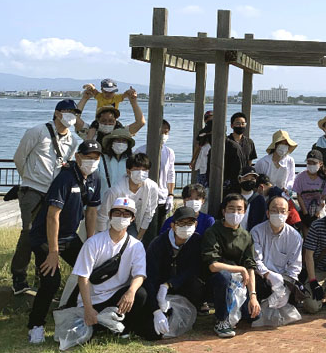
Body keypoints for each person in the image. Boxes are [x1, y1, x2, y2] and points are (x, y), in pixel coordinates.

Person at [26, 140, 102, 344]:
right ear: (78, 157)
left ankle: (73, 312)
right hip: (45, 237)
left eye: (96, 158)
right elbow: (52, 216)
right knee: (51, 281)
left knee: (90, 272)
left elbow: (92, 211)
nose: (91, 161)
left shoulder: (95, 178)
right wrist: (53, 251)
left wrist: (91, 242)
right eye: (87, 157)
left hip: (69, 236)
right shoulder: (65, 178)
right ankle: (36, 325)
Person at [11, 99, 81, 295]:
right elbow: (19, 157)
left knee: (46, 236)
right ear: (57, 113)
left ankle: (41, 277)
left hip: (54, 194)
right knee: (29, 232)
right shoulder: (37, 131)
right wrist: (30, 179)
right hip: (32, 190)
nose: (71, 116)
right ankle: (19, 277)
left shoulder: (73, 141)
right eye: (68, 111)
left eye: (74, 112)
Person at [73, 197, 148, 337]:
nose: (121, 217)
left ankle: (122, 330)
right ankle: (101, 324)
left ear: (132, 218)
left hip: (117, 298)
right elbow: (82, 277)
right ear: (110, 215)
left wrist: (131, 291)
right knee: (86, 333)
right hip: (94, 300)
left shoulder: (136, 245)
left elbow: (140, 274)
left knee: (140, 293)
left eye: (126, 214)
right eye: (117, 213)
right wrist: (88, 309)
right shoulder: (93, 243)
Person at [201, 194, 261, 338]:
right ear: (223, 211)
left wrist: (253, 296)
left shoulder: (246, 236)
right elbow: (213, 266)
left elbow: (250, 266)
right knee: (223, 276)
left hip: (239, 283)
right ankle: (221, 319)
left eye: (239, 209)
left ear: (244, 212)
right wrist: (240, 269)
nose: (235, 213)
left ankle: (235, 312)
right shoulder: (213, 231)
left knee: (253, 316)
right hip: (215, 281)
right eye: (231, 209)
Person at [145, 206, 204, 339]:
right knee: (153, 331)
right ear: (173, 225)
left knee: (196, 284)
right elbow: (150, 277)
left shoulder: (196, 241)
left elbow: (192, 269)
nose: (186, 227)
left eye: (190, 223)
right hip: (157, 289)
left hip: (179, 286)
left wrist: (169, 284)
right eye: (181, 224)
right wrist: (156, 309)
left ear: (196, 224)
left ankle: (193, 311)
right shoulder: (158, 244)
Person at [250, 196, 304, 309]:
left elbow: (295, 267)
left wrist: (287, 291)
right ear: (268, 213)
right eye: (274, 210)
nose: (278, 214)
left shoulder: (295, 237)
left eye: (282, 211)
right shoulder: (256, 231)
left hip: (284, 282)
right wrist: (268, 275)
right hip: (261, 278)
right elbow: (255, 260)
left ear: (288, 214)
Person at [98, 153, 159, 242]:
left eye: (144, 170)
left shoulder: (152, 188)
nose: (140, 173)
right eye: (136, 169)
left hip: (135, 223)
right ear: (128, 171)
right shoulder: (115, 191)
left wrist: (138, 238)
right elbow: (103, 216)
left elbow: (148, 214)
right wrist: (102, 239)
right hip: (115, 222)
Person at [135, 119, 176, 232]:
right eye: (161, 132)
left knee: (160, 229)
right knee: (143, 228)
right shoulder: (141, 151)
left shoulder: (169, 152)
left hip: (162, 198)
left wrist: (171, 195)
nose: (163, 135)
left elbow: (170, 174)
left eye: (166, 132)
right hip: (144, 197)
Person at [79, 87, 145, 143]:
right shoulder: (88, 133)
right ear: (98, 120)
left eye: (111, 121)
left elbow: (140, 123)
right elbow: (74, 118)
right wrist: (84, 98)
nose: (107, 123)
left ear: (115, 120)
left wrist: (133, 102)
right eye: (103, 120)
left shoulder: (122, 132)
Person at [293, 150, 326, 234]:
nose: (311, 165)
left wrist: (317, 214)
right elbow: (299, 196)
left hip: (320, 208)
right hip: (304, 208)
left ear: (320, 163)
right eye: (309, 162)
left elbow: (325, 197)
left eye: (314, 163)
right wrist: (305, 214)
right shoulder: (300, 177)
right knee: (306, 229)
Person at [97, 127, 135, 201]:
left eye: (124, 141)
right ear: (111, 143)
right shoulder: (100, 159)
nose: (120, 143)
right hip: (102, 202)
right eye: (117, 140)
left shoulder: (131, 161)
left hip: (124, 204)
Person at [234, 166, 268, 231]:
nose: (249, 181)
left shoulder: (259, 200)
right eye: (246, 179)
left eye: (252, 179)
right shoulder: (232, 197)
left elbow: (263, 220)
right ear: (239, 179)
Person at [190, 117, 212, 187]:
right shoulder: (203, 143)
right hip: (202, 169)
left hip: (209, 170)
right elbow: (198, 147)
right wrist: (193, 160)